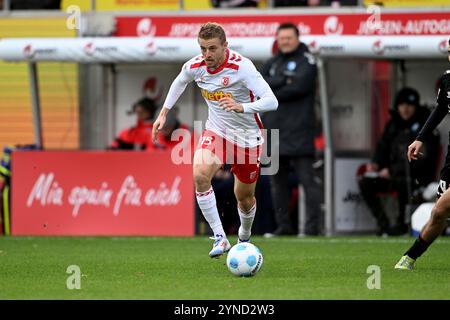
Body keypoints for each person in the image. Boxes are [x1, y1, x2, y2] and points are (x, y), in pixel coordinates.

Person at [152, 22, 278, 258]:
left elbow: (272, 101)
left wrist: (242, 107)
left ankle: (244, 235)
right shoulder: (195, 65)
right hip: (217, 131)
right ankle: (220, 238)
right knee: (200, 174)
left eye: (212, 48)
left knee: (245, 198)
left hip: (248, 138)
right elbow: (180, 81)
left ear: (225, 46)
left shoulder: (243, 68)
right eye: (203, 48)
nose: (207, 54)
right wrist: (163, 113)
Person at [261, 22, 322, 236]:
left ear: (297, 38)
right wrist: (282, 81)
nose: (285, 41)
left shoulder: (307, 60)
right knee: (277, 184)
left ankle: (312, 228)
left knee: (308, 182)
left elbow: (300, 86)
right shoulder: (272, 62)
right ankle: (284, 227)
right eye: (282, 38)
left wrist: (274, 89)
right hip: (274, 132)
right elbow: (260, 86)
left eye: (289, 37)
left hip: (300, 132)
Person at [395, 39, 450, 270]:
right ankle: (409, 259)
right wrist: (420, 138)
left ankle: (409, 255)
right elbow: (440, 109)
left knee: (440, 208)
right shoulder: (447, 79)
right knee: (439, 214)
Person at [358, 87, 440, 236]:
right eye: (402, 105)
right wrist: (376, 164)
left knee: (404, 183)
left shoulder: (425, 125)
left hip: (416, 177)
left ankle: (402, 224)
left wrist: (392, 170)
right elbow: (382, 147)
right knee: (366, 182)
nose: (405, 109)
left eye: (409, 105)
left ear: (416, 106)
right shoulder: (393, 125)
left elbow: (423, 160)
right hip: (391, 175)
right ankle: (384, 225)